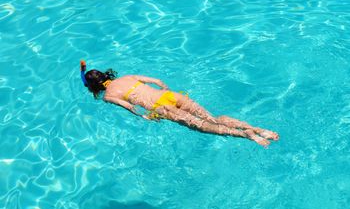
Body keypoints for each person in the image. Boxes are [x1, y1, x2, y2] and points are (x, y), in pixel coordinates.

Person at [80, 61, 279, 147]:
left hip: (161, 108)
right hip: (172, 96)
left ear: (93, 87)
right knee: (213, 118)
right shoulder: (127, 77)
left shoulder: (109, 96)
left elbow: (131, 107)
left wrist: (145, 117)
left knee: (208, 128)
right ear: (105, 75)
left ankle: (246, 135)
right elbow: (157, 81)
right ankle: (256, 129)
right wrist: (166, 91)